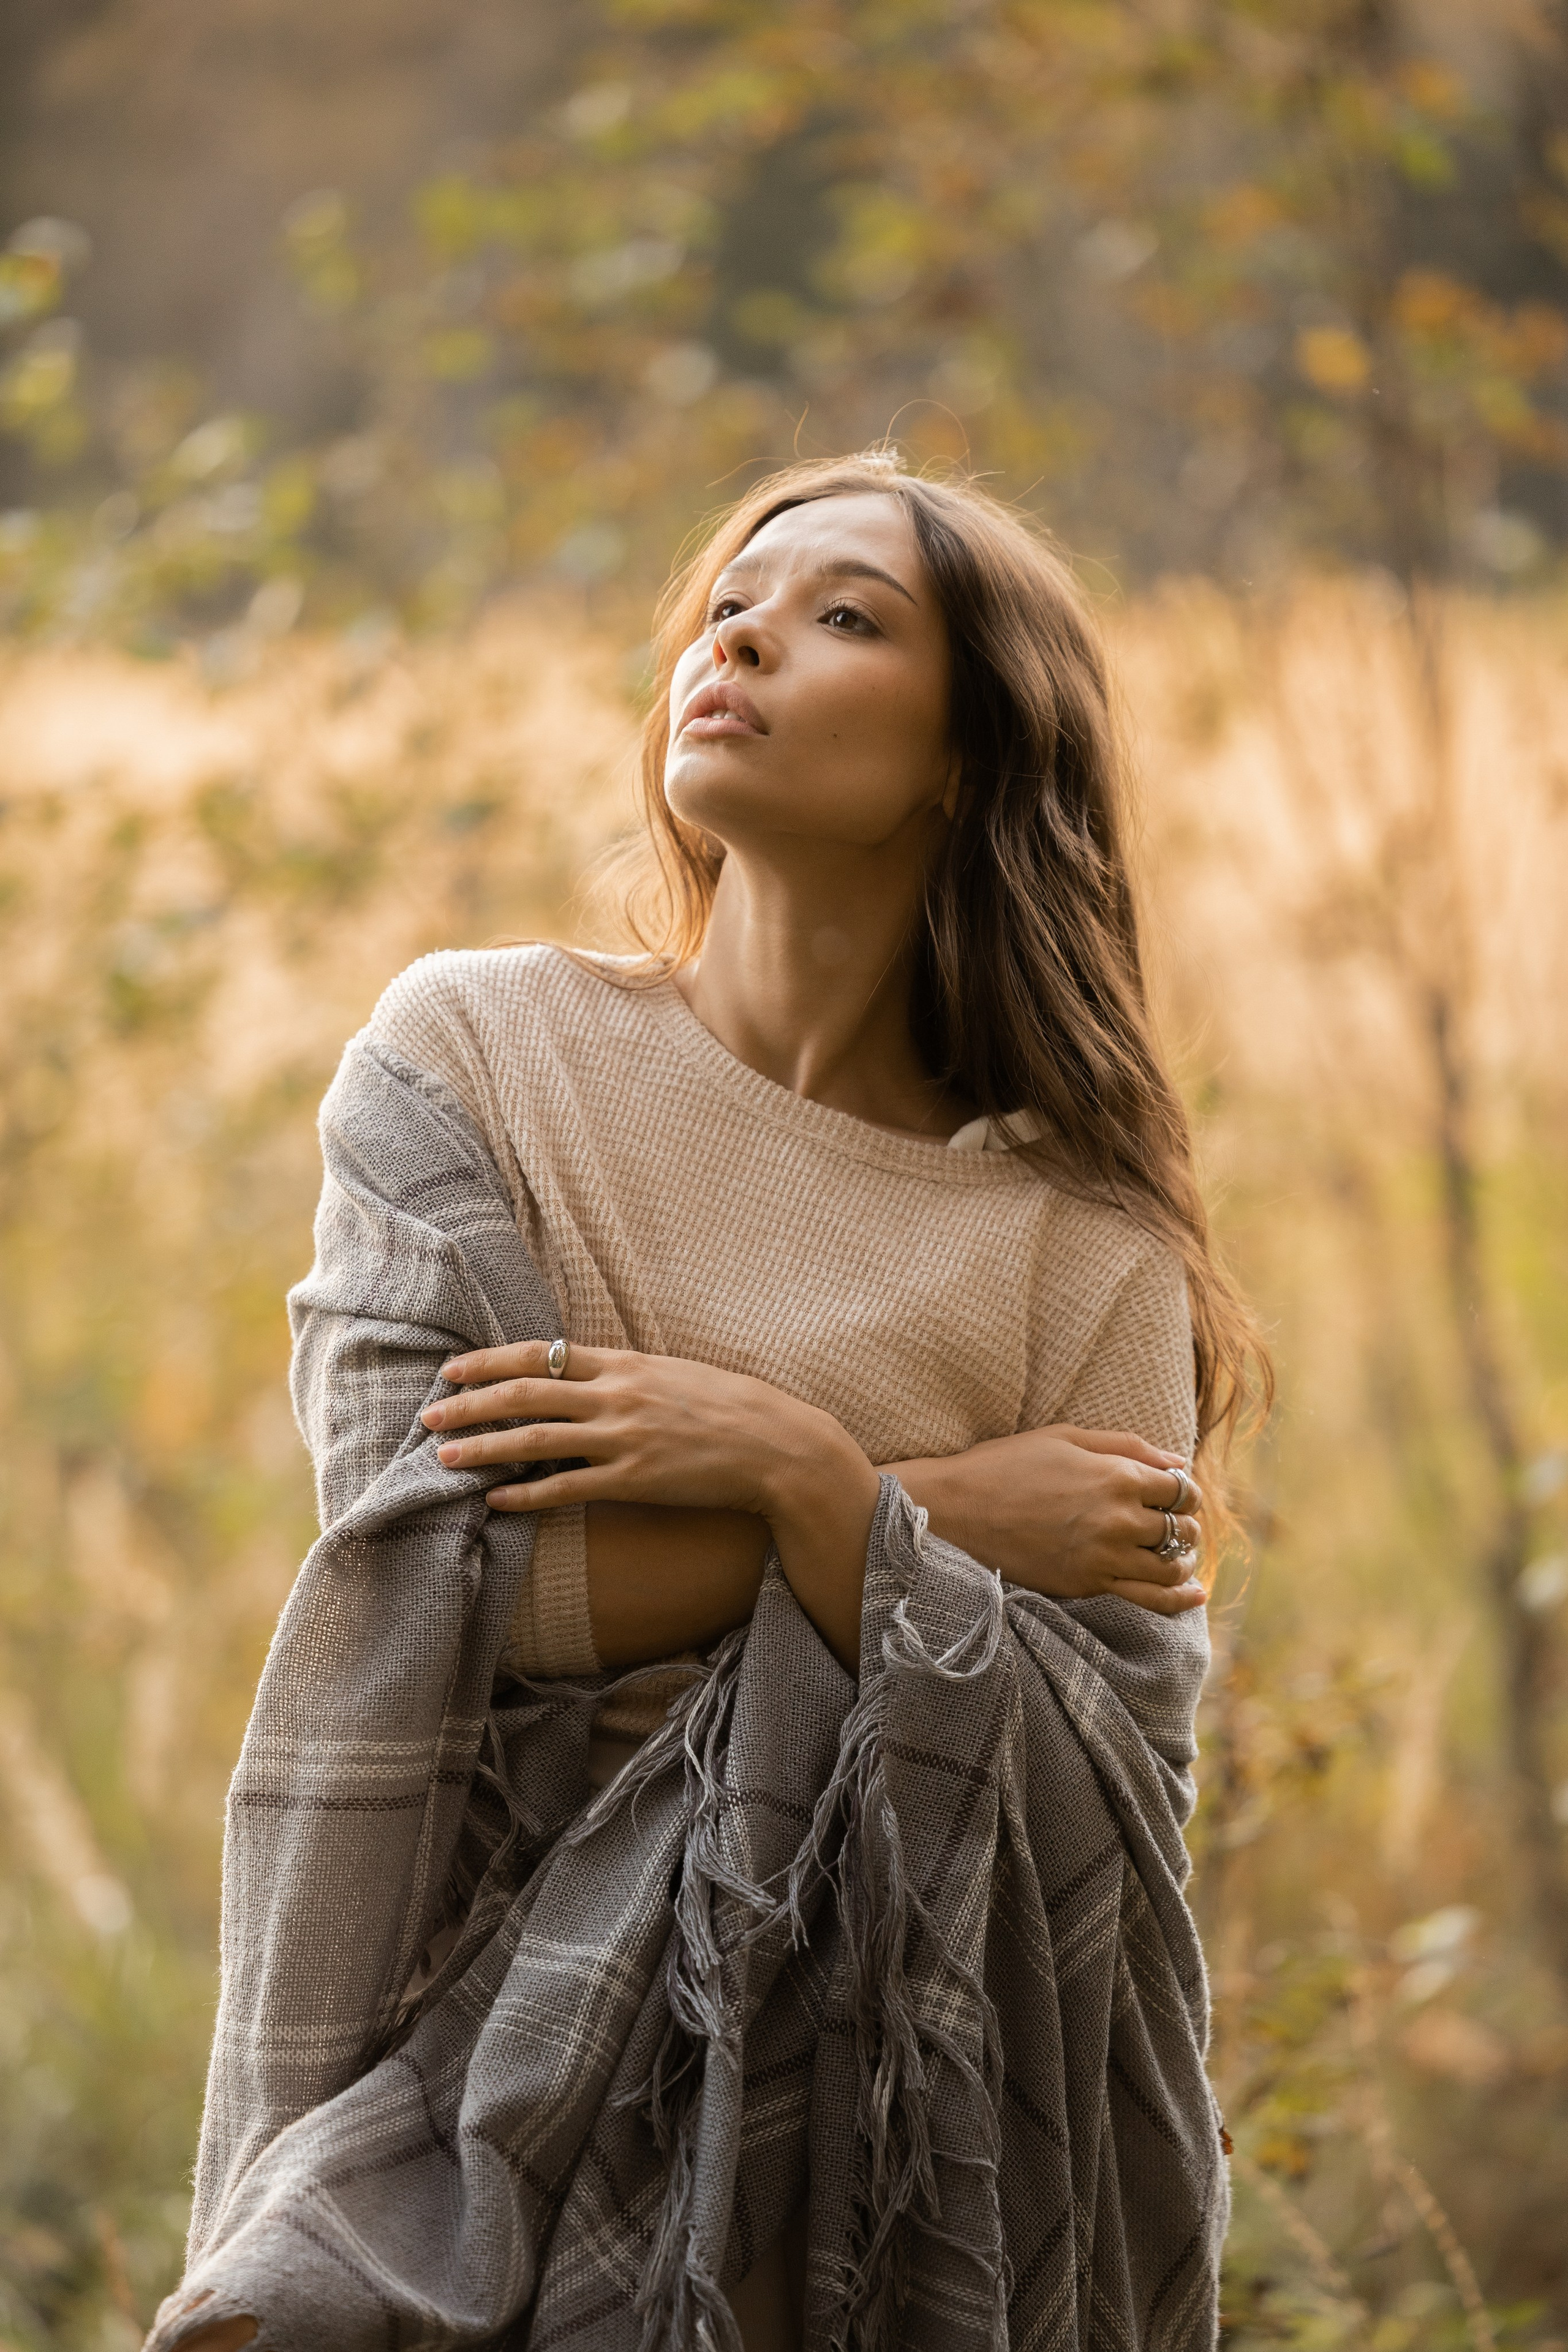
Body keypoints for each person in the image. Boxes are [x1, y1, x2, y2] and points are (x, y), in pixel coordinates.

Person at [160, 451, 1263, 2352]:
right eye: (733, 602)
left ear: (969, 762)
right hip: (447, 2084)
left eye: (847, 616)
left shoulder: (1086, 1245)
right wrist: (940, 1514)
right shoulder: (475, 1060)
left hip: (884, 2148)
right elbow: (457, 1582)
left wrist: (802, 1477)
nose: (740, 632)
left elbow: (1103, 1798)